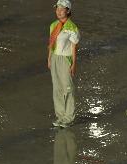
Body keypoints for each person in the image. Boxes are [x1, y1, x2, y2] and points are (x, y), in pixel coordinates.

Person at [48, 0, 79, 128]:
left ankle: (69, 118)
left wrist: (73, 64)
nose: (59, 11)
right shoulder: (53, 25)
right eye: (57, 9)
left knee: (68, 88)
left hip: (65, 60)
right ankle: (60, 116)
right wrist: (49, 58)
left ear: (68, 11)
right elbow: (51, 44)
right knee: (57, 88)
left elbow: (74, 48)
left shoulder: (72, 28)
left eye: (62, 9)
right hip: (55, 58)